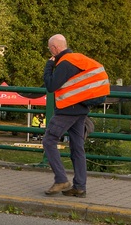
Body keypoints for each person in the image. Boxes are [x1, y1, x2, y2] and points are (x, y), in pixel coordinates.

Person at [42, 34, 108, 198]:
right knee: (77, 148)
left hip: (67, 110)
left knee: (49, 140)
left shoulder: (65, 63)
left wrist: (49, 65)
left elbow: (50, 85)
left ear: (54, 49)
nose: (51, 53)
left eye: (50, 50)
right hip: (81, 110)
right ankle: (79, 187)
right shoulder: (79, 59)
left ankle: (61, 179)